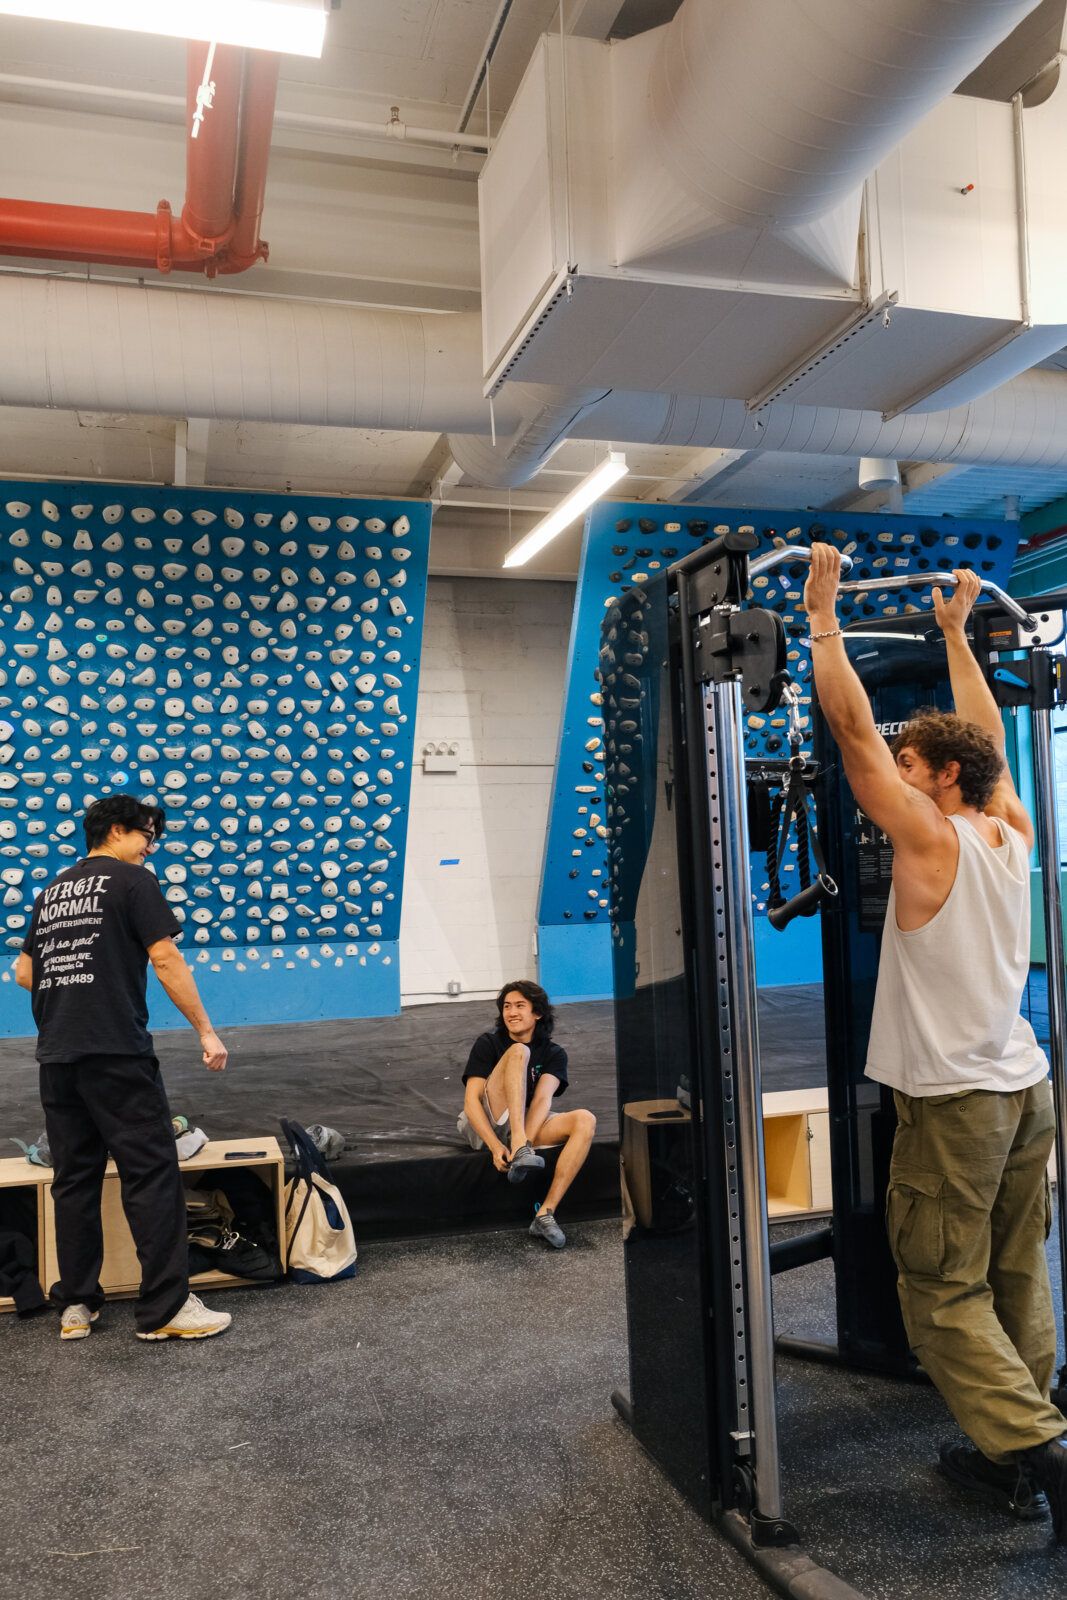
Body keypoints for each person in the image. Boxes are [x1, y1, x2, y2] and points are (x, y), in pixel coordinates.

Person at [804, 546, 1067, 1541]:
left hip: (955, 1107)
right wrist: (956, 635)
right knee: (1012, 1275)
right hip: (1022, 1089)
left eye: (911, 765)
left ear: (939, 778)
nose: (895, 775)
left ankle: (1039, 1451)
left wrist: (823, 619)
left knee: (941, 1293)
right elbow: (988, 734)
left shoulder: (929, 838)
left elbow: (846, 729)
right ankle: (1010, 1458)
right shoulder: (1008, 823)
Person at [15, 793, 232, 1343]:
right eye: (146, 838)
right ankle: (165, 1309)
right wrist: (206, 1029)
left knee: (75, 1181)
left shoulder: (52, 891)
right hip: (116, 1053)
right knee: (151, 1176)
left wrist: (74, 994)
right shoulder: (134, 883)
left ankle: (77, 1305)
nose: (148, 850)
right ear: (116, 831)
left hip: (58, 1056)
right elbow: (165, 958)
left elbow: (23, 971)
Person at [458, 980, 597, 1249]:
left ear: (538, 1013)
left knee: (585, 1119)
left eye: (520, 1005)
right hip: (486, 1123)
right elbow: (470, 1102)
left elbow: (542, 1100)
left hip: (522, 1126)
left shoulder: (555, 1053)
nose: (511, 1012)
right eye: (507, 1006)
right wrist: (495, 1145)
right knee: (520, 1051)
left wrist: (526, 1145)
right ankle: (521, 1147)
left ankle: (545, 1213)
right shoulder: (488, 1043)